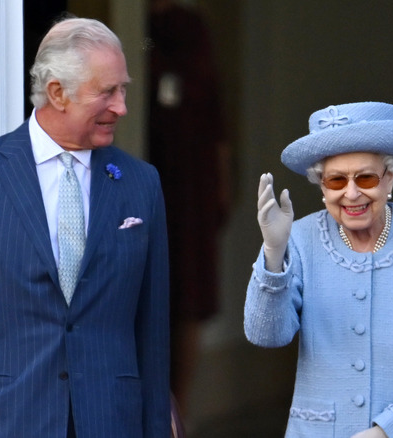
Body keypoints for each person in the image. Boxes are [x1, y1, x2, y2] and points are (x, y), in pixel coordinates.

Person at [0, 17, 171, 437]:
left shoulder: (141, 183)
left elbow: (152, 331)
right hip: (3, 420)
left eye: (123, 89)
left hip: (110, 420)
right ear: (57, 92)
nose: (121, 107)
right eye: (107, 92)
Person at [244, 102, 393, 438]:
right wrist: (273, 252)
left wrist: (390, 431)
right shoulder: (299, 239)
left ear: (391, 177)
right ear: (321, 186)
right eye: (336, 180)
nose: (351, 194)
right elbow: (266, 335)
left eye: (366, 178)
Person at [147, 0, 230, 414]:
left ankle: (181, 415)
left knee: (190, 295)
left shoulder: (193, 30)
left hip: (191, 189)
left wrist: (220, 191)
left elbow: (216, 120)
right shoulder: (134, 29)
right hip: (145, 171)